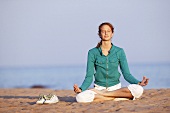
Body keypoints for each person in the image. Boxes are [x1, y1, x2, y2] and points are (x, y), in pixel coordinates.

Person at [73, 22, 149, 103]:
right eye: (103, 31)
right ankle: (115, 97)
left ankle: (104, 95)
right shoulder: (92, 52)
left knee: (139, 90)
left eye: (108, 31)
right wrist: (81, 89)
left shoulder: (119, 51)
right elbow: (89, 77)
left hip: (115, 88)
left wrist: (138, 82)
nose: (106, 33)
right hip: (99, 88)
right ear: (99, 34)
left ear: (112, 33)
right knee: (80, 98)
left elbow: (127, 74)